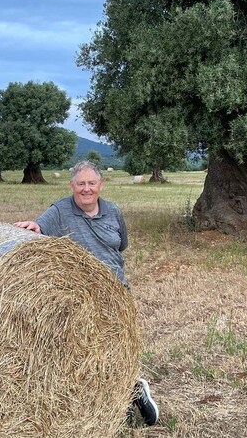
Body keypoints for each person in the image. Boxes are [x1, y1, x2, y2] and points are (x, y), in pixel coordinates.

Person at [14, 160, 159, 427]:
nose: (86, 189)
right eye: (80, 184)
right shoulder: (60, 210)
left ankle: (131, 392)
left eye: (92, 183)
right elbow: (40, 228)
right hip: (78, 299)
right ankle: (119, 396)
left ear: (100, 185)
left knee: (116, 347)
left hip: (116, 293)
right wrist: (31, 226)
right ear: (72, 186)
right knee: (84, 351)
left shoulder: (113, 211)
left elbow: (121, 245)